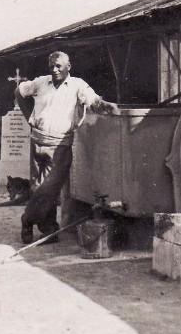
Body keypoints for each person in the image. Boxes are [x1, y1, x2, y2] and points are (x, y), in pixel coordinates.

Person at [16, 50, 118, 245]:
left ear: (68, 67)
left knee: (48, 187)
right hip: (37, 141)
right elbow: (19, 92)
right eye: (51, 66)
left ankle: (27, 220)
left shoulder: (77, 85)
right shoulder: (40, 82)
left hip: (60, 145)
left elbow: (93, 100)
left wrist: (106, 106)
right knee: (39, 188)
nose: (54, 70)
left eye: (58, 66)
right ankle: (49, 229)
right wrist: (29, 116)